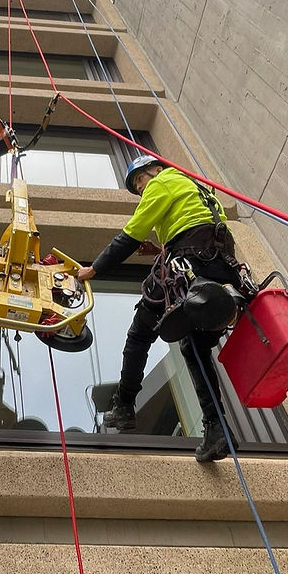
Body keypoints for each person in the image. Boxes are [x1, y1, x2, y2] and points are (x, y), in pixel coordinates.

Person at [76, 154, 243, 462]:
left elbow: (130, 235)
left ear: (156, 169)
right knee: (194, 348)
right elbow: (196, 224)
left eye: (140, 180)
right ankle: (216, 427)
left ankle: (124, 405)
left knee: (140, 332)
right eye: (138, 186)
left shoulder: (162, 182)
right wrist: (160, 247)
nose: (141, 189)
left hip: (188, 261)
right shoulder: (198, 189)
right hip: (220, 266)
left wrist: (94, 269)